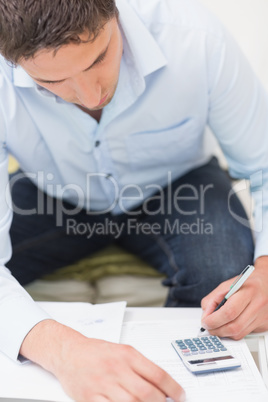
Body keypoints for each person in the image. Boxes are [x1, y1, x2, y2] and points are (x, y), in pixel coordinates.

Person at [0, 0, 268, 400]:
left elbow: (264, 167)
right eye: (52, 83)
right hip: (52, 193)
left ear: (115, 13)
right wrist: (63, 350)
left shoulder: (197, 39)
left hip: (180, 186)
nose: (91, 96)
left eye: (98, 58)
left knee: (226, 290)